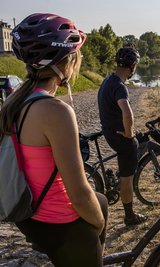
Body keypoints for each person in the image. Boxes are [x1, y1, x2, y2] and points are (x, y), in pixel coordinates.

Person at [0, 13, 108, 266]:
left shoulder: (15, 101)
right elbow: (79, 194)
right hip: (58, 224)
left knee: (101, 200)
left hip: (26, 215)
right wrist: (99, 226)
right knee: (96, 210)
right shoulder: (55, 111)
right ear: (65, 62)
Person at [98, 47, 147, 226]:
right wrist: (128, 133)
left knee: (140, 137)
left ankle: (118, 174)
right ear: (133, 66)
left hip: (109, 132)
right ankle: (129, 216)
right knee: (128, 178)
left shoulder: (108, 81)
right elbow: (127, 113)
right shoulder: (120, 86)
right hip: (120, 137)